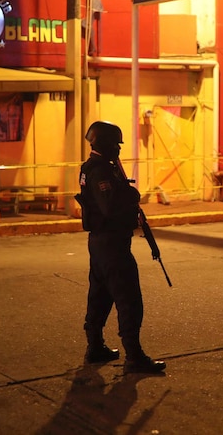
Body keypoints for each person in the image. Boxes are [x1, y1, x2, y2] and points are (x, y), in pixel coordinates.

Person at [77, 121, 166, 374]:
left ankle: (95, 347)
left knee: (101, 296)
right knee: (129, 300)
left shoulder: (93, 167)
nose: (118, 148)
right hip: (112, 244)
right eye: (115, 143)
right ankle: (134, 356)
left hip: (100, 243)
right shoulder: (102, 172)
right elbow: (110, 207)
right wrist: (131, 195)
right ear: (104, 143)